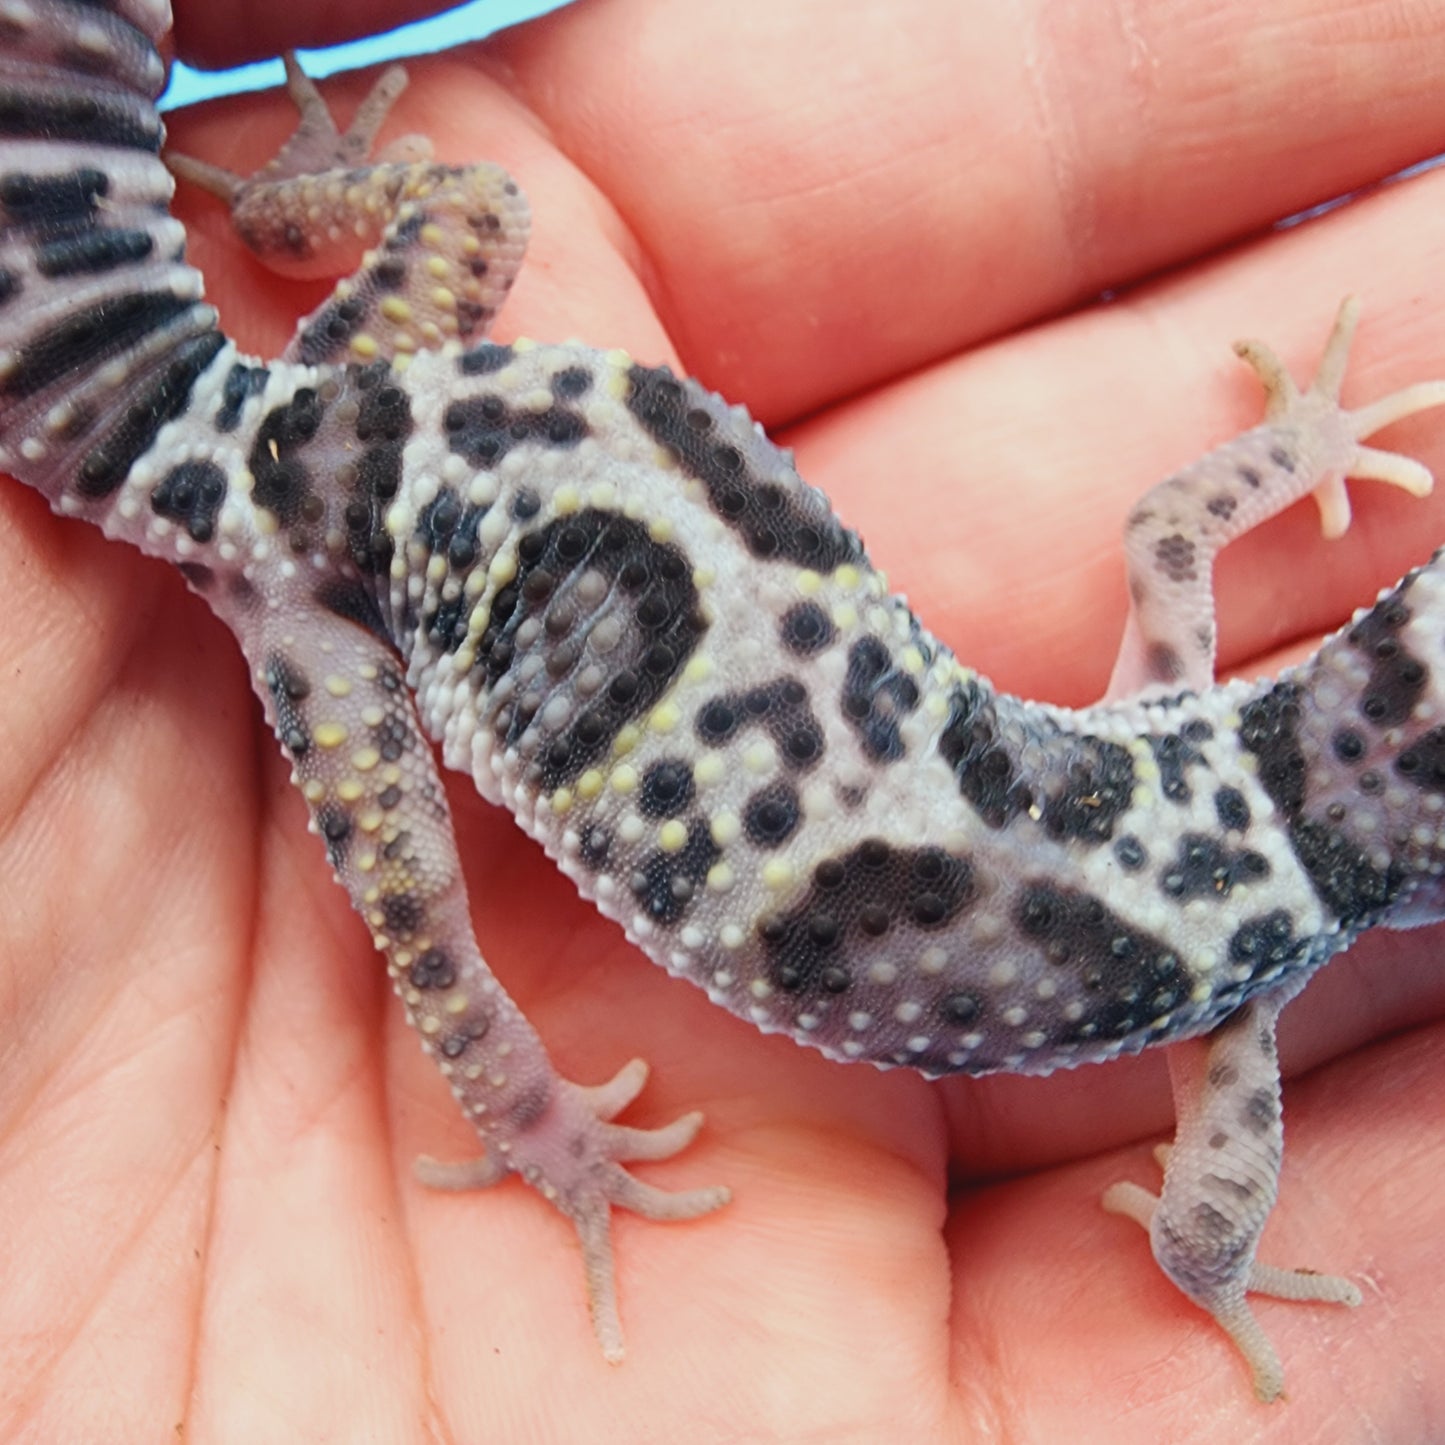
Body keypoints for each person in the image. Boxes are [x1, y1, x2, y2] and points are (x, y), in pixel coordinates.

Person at [4, 0, 1443, 1435]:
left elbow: (1167, 531)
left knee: (480, 214)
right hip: (323, 538)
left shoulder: (1189, 741)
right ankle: (520, 1119)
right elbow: (1198, 1240)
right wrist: (1227, 1274)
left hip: (360, 464)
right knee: (416, 904)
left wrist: (1295, 441)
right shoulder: (1229, 990)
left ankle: (273, 207)